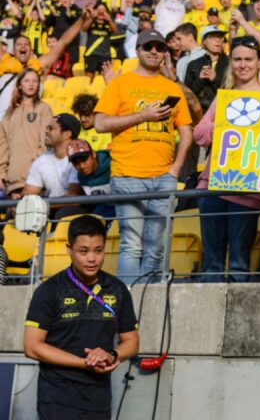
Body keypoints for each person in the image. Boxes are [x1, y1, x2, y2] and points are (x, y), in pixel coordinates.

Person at [94, 29, 193, 281]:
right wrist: (143, 116)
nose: (153, 51)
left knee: (156, 248)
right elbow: (100, 124)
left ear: (165, 53)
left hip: (164, 176)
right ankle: (129, 300)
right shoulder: (119, 84)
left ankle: (149, 298)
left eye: (159, 47)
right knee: (131, 244)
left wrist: (175, 169)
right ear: (137, 50)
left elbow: (186, 131)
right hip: (127, 174)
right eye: (148, 46)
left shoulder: (172, 88)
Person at [24, 215, 139, 420]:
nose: (92, 259)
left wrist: (112, 355)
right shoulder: (49, 290)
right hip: (57, 398)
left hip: (99, 399)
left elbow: (131, 341)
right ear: (69, 250)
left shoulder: (118, 289)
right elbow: (32, 346)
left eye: (98, 250)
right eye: (83, 251)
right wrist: (84, 363)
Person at [194, 36, 260, 282]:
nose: (242, 65)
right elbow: (199, 134)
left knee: (240, 262)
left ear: (259, 62)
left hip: (247, 189)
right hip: (212, 186)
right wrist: (226, 127)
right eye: (237, 59)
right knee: (212, 263)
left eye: (248, 59)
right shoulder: (224, 97)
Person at [0, 69, 52, 198]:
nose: (31, 84)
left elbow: (45, 142)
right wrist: (1, 173)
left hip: (36, 179)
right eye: (27, 80)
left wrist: (36, 168)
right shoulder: (9, 114)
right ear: (19, 85)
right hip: (13, 181)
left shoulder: (44, 109)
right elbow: (3, 147)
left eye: (35, 81)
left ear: (39, 85)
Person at [23, 113, 83, 199]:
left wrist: (43, 204)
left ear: (66, 134)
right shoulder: (42, 160)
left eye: (51, 128)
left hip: (70, 207)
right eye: (47, 128)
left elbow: (74, 198)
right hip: (48, 205)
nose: (46, 131)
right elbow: (28, 194)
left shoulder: (80, 158)